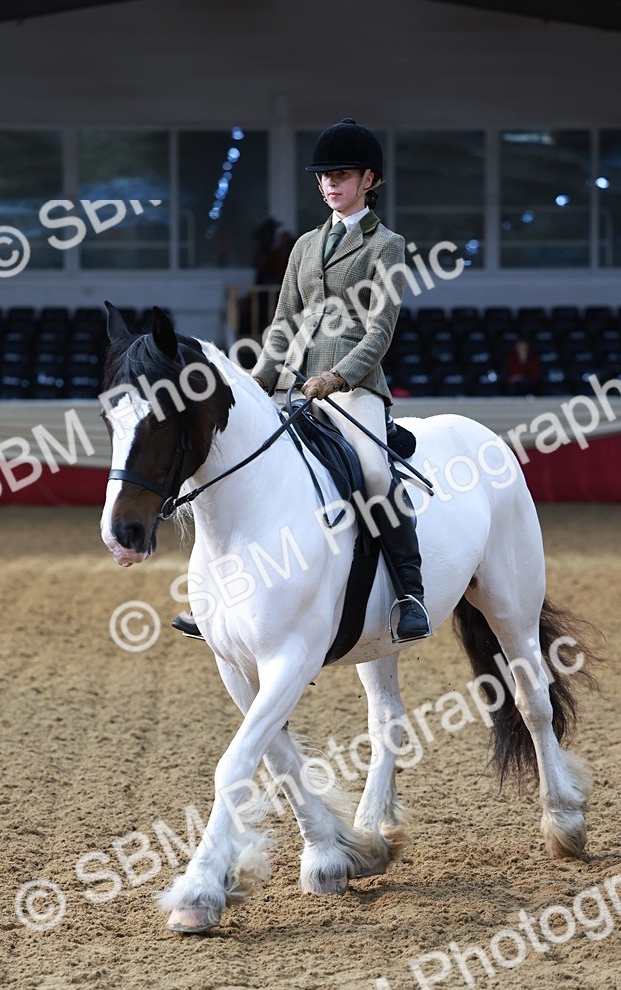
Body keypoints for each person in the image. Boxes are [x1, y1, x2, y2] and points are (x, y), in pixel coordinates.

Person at [173, 118, 430, 642]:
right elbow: (284, 320)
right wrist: (258, 379)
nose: (330, 184)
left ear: (369, 180)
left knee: (377, 476)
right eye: (324, 177)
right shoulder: (306, 245)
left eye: (342, 175)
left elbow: (380, 330)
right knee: (246, 470)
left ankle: (409, 593)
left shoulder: (387, 245)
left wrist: (339, 376)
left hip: (354, 390)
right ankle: (221, 594)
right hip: (296, 385)